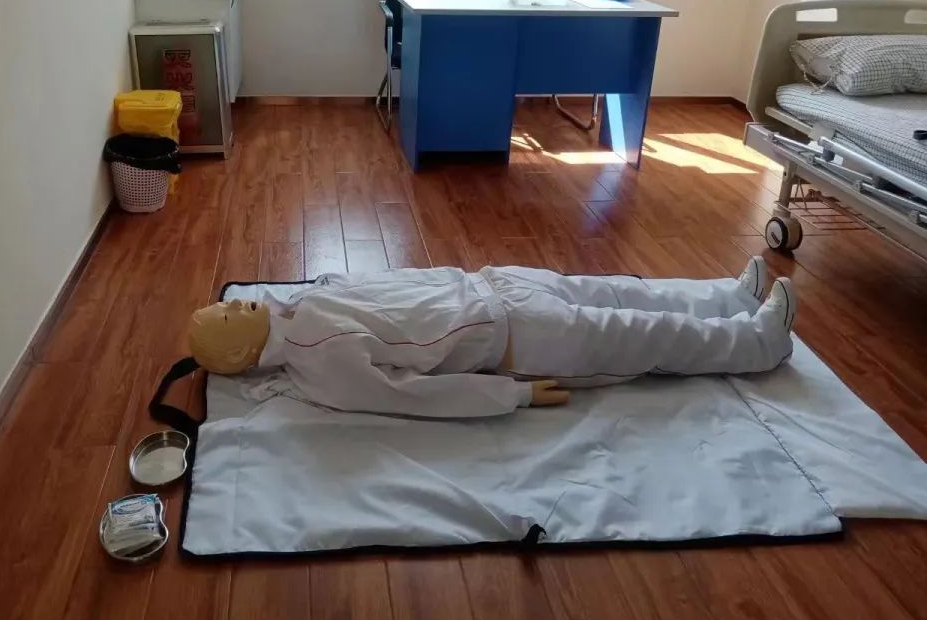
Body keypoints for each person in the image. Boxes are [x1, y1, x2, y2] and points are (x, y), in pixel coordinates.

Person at [187, 257, 795, 418]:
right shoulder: (318, 358)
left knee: (617, 292)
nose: (232, 302)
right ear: (242, 354)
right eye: (226, 317)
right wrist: (515, 395)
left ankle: (729, 301)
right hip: (517, 339)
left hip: (494, 285)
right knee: (639, 335)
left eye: (223, 304)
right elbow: (408, 395)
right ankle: (755, 344)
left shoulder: (303, 303)